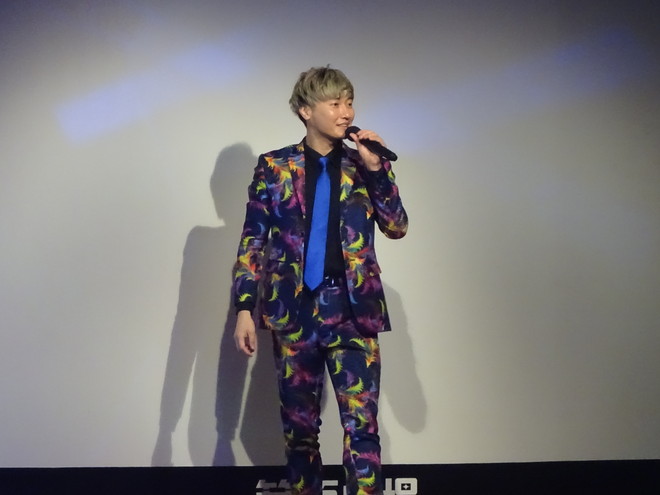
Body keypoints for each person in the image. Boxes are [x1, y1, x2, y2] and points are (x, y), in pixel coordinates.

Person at [232, 66, 408, 495]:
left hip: (354, 313)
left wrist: (377, 170)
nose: (346, 112)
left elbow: (397, 226)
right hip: (294, 312)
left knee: (362, 429)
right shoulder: (274, 167)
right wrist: (244, 308)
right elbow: (253, 240)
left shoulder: (364, 164)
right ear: (306, 111)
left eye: (349, 103)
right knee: (299, 432)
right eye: (335, 103)